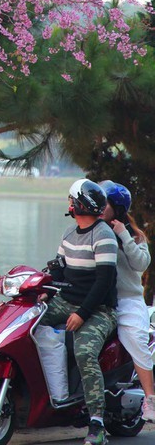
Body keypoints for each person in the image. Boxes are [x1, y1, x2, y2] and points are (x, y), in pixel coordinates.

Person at [41, 179, 118, 445]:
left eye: (71, 200)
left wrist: (83, 314)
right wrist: (45, 291)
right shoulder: (68, 234)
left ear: (79, 205)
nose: (69, 205)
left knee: (84, 352)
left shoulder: (104, 235)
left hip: (99, 309)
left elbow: (104, 282)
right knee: (26, 322)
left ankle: (97, 423)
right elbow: (58, 271)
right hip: (68, 301)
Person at [99, 180, 155, 421]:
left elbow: (141, 264)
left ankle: (151, 399)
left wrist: (123, 234)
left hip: (128, 300)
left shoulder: (134, 236)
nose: (98, 206)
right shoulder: (90, 230)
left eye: (104, 203)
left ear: (118, 208)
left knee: (134, 336)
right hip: (98, 302)